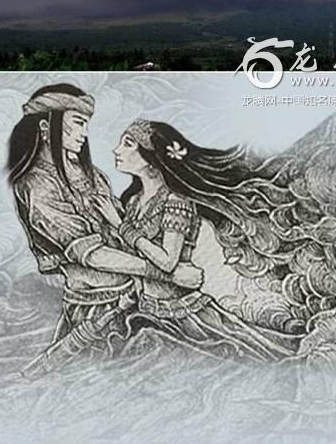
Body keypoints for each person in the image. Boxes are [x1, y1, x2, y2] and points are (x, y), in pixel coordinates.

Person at [8, 85, 203, 367]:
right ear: (44, 127)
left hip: (138, 297)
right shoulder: (38, 185)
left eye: (86, 125)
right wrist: (168, 274)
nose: (84, 133)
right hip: (95, 308)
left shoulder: (93, 176)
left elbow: (120, 236)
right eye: (77, 124)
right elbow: (93, 254)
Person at [95, 118, 300, 361]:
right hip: (146, 309)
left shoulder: (175, 202)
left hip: (183, 317)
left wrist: (121, 226)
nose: (116, 149)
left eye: (128, 144)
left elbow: (168, 262)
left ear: (152, 160)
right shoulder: (133, 202)